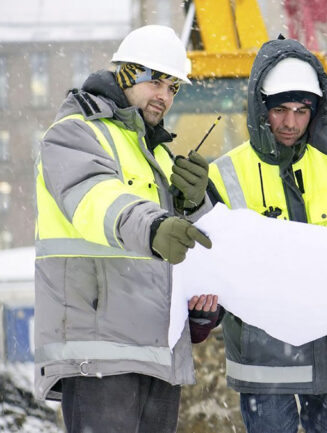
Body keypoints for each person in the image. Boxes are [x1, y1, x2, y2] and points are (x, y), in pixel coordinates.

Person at [33, 25, 218, 433]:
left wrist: (198, 203)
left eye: (173, 88)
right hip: (98, 350)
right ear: (125, 74)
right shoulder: (74, 134)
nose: (164, 97)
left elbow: (191, 246)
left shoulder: (159, 155)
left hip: (157, 354)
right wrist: (156, 226)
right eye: (155, 81)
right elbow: (96, 199)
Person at [200, 37, 327, 433]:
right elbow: (215, 265)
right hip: (264, 355)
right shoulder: (224, 174)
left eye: (302, 110)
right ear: (260, 106)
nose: (290, 123)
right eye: (280, 109)